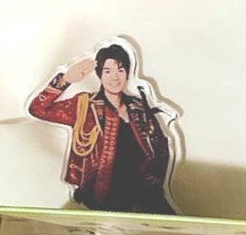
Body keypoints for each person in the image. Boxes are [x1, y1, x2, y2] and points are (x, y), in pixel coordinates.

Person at [29, 42, 175, 214]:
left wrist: (156, 175)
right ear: (99, 75)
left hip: (144, 193)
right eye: (107, 71)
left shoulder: (138, 107)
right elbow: (38, 109)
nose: (115, 77)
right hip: (104, 196)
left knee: (171, 226)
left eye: (120, 70)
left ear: (127, 73)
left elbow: (160, 144)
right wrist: (65, 80)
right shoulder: (85, 106)